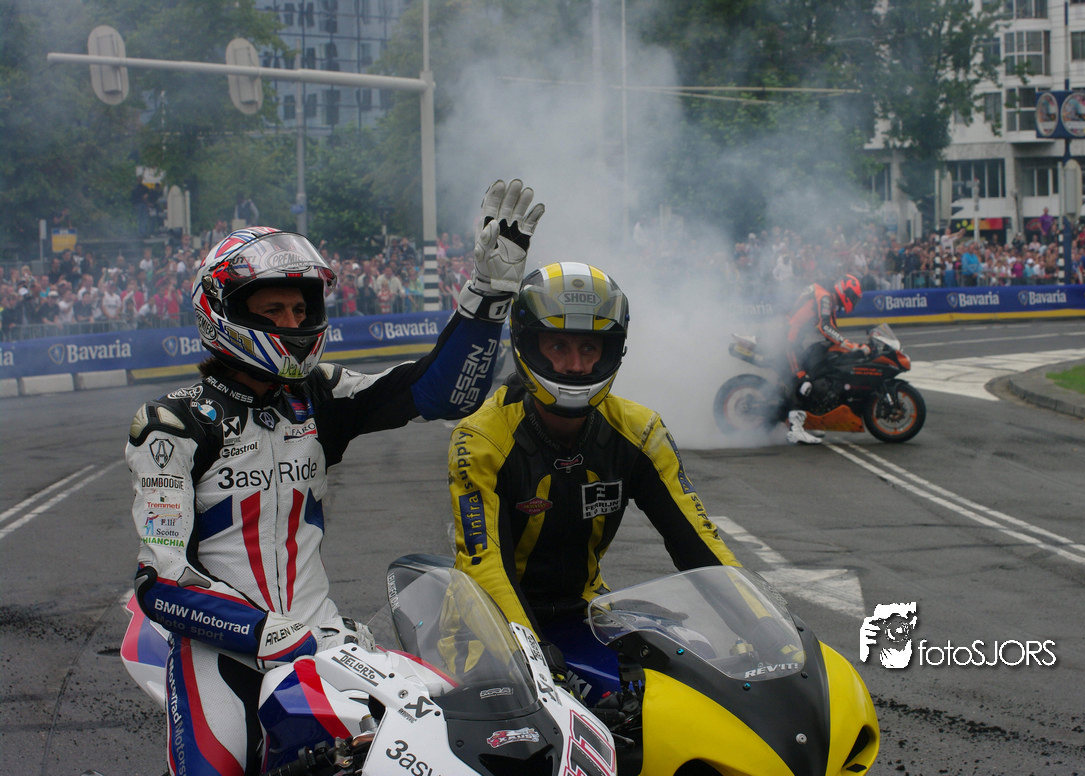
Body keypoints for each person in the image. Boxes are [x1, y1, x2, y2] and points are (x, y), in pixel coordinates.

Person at [126, 179, 544, 776]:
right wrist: (266, 633)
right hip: (220, 651)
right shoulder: (172, 423)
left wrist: (489, 294)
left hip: (321, 639)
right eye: (273, 310)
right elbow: (160, 580)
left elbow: (441, 392)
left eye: (301, 309)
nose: (293, 320)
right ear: (225, 311)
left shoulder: (320, 395)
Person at [448, 262, 740, 700]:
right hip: (483, 630)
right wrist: (533, 658)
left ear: (611, 350)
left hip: (581, 614)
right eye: (558, 345)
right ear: (527, 344)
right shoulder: (479, 439)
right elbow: (483, 562)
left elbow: (698, 540)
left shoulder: (641, 431)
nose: (575, 365)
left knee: (676, 693)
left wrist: (765, 622)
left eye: (589, 347)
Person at [777, 274, 869, 445]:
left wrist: (848, 348)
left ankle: (807, 420)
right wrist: (852, 346)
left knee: (817, 368)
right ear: (845, 291)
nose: (853, 301)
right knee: (804, 381)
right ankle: (795, 430)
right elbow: (825, 327)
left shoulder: (828, 297)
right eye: (853, 297)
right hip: (789, 341)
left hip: (793, 339)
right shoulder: (825, 296)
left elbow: (833, 331)